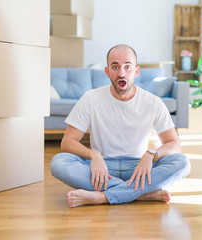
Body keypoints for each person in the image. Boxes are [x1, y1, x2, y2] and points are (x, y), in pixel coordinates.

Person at [50, 44, 191, 208]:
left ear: (136, 71)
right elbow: (67, 142)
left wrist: (150, 154)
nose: (121, 73)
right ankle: (140, 193)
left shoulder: (153, 102)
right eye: (115, 67)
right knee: (59, 163)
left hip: (139, 168)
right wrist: (94, 155)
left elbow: (174, 144)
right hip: (101, 168)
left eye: (127, 66)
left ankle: (103, 197)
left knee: (182, 162)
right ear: (107, 71)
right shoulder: (90, 98)